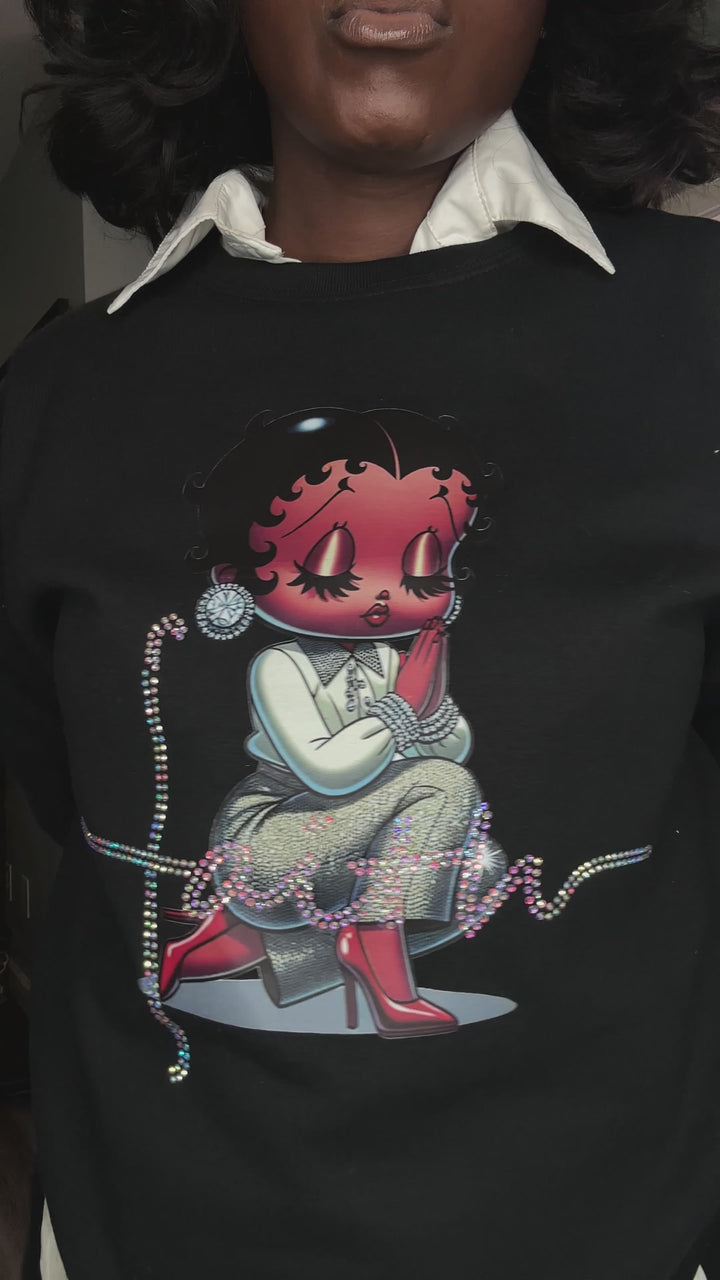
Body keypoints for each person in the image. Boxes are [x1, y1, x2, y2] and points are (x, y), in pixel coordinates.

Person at [2, 1, 720, 1277]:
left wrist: (426, 692)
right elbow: (120, 787)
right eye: (338, 569)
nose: (390, 594)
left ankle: (316, 947)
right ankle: (291, 939)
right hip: (167, 1184)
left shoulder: (698, 329)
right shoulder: (60, 393)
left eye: (422, 568)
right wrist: (403, 720)